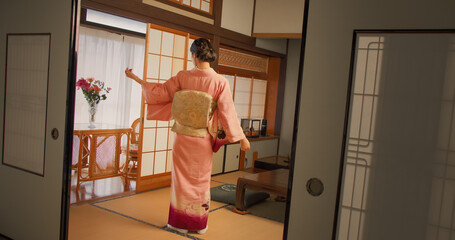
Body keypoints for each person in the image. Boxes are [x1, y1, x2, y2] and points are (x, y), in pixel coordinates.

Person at [125, 38, 250, 234]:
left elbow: (161, 93)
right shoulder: (219, 81)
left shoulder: (183, 77)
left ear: (193, 55)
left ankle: (178, 223)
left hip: (182, 138)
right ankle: (198, 224)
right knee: (200, 180)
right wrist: (241, 137)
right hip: (202, 139)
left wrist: (138, 80)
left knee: (181, 180)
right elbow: (228, 112)